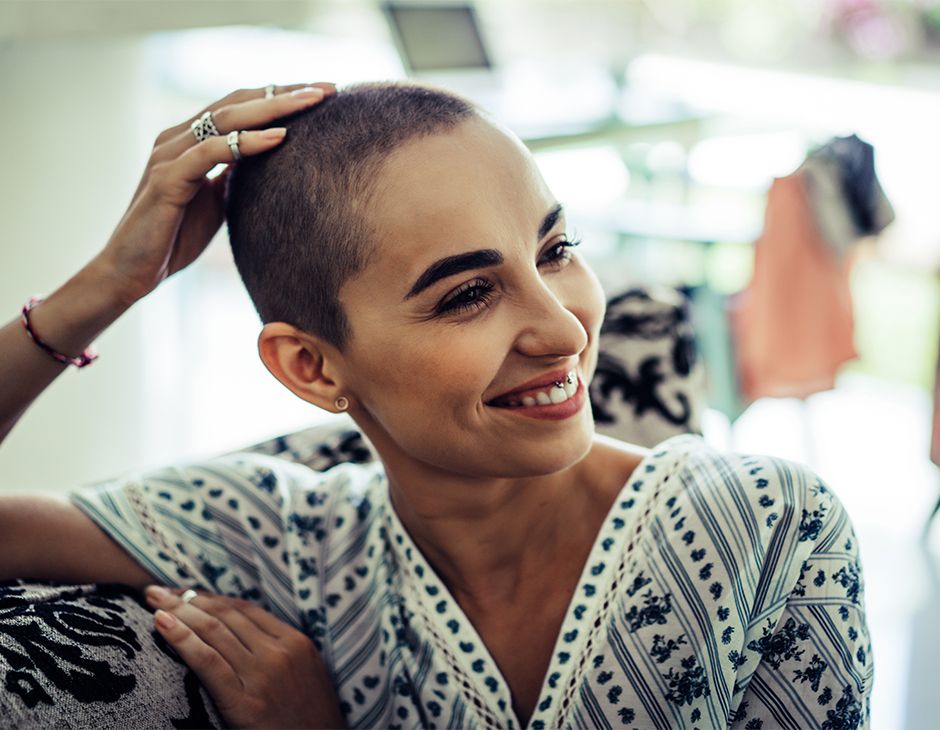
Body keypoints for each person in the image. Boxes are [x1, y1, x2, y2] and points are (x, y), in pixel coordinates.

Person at [0, 80, 872, 729]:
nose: (562, 329)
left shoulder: (768, 527)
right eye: (467, 295)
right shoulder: (281, 537)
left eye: (557, 249)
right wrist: (105, 288)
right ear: (311, 367)